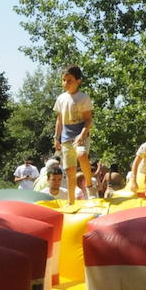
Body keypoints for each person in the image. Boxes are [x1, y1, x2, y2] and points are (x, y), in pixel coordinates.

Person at [53, 65, 94, 202]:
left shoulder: (83, 98)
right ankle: (71, 201)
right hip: (66, 135)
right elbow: (59, 120)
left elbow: (88, 120)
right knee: (70, 171)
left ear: (78, 81)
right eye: (64, 80)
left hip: (80, 133)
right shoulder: (61, 98)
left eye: (69, 80)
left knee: (82, 155)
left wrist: (82, 134)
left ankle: (89, 184)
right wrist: (56, 138)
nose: (65, 83)